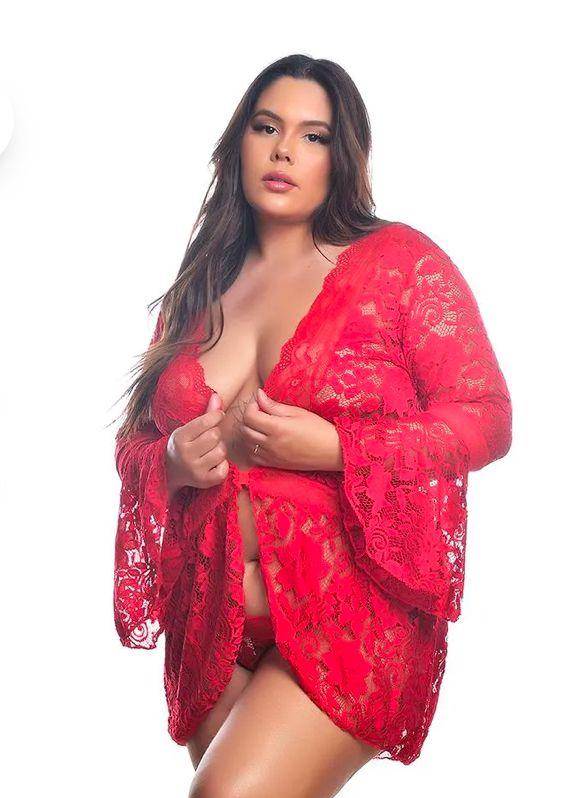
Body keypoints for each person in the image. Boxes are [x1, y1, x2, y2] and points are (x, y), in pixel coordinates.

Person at [111, 54, 512, 798]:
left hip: (346, 611)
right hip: (210, 617)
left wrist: (337, 447)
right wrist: (169, 460)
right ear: (239, 142)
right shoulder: (199, 286)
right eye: (267, 127)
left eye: (313, 135)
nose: (285, 150)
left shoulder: (399, 265)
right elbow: (135, 438)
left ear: (343, 155)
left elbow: (485, 418)